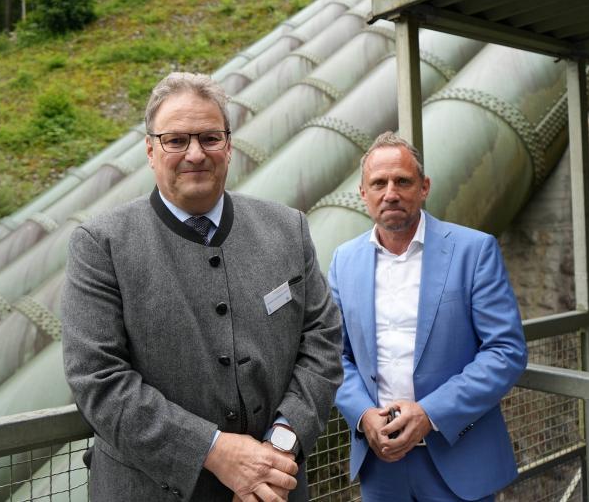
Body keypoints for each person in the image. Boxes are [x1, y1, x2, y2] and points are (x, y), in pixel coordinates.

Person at [61, 72, 342, 502]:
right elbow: (97, 380)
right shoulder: (102, 245)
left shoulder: (287, 229)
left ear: (229, 145)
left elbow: (322, 341)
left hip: (276, 487)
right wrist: (214, 451)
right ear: (150, 150)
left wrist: (281, 444)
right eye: (176, 140)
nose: (195, 153)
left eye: (210, 138)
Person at [329, 132, 527, 502]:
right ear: (362, 193)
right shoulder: (343, 260)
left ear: (424, 187)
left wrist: (429, 414)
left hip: (458, 458)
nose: (391, 192)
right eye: (379, 183)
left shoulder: (474, 250)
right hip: (381, 460)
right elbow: (334, 355)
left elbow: (506, 352)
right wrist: (363, 416)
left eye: (402, 181)